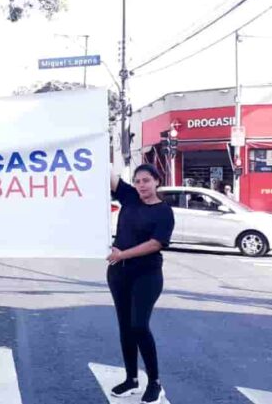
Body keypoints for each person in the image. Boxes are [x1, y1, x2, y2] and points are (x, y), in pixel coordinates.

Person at [107, 163, 174, 403]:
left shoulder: (164, 211)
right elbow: (110, 178)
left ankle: (154, 381)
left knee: (139, 325)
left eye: (146, 180)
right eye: (137, 181)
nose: (141, 185)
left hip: (147, 274)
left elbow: (155, 243)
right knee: (125, 327)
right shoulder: (130, 197)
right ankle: (131, 379)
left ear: (156, 181)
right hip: (118, 273)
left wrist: (122, 254)